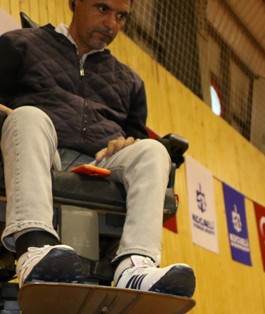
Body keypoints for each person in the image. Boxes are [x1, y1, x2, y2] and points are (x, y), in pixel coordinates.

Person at [0, 0, 195, 297]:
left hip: (101, 166)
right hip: (38, 150)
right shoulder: (19, 45)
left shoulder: (130, 81)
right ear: (74, 3)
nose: (112, 24)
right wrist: (12, 117)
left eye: (121, 17)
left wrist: (125, 144)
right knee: (28, 115)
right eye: (103, 9)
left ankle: (134, 265)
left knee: (154, 151)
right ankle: (35, 248)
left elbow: (134, 138)